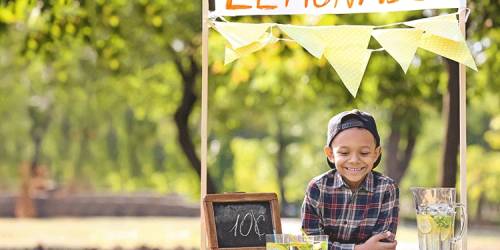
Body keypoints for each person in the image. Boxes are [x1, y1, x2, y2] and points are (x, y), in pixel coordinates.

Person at [301, 109, 399, 250]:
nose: (354, 160)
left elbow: (382, 245)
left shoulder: (387, 189)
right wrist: (360, 249)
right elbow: (311, 244)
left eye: (364, 152)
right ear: (330, 154)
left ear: (376, 153)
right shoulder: (317, 188)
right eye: (344, 152)